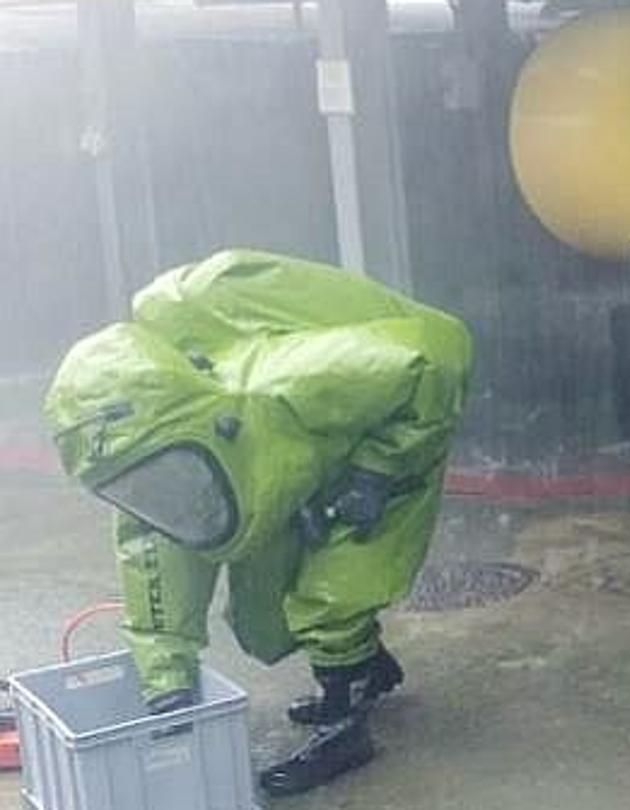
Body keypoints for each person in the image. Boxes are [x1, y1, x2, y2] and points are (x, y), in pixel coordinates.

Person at [43, 249, 473, 797]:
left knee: (328, 598)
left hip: (391, 430)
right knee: (263, 623)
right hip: (286, 458)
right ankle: (367, 668)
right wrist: (168, 689)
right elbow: (155, 579)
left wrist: (375, 474)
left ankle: (346, 724)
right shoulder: (147, 471)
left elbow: (437, 354)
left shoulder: (280, 379)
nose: (161, 495)